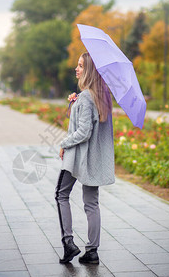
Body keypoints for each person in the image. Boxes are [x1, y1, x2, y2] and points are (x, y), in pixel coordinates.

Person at [55, 52, 115, 264]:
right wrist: (75, 102)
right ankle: (92, 252)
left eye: (80, 65)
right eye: (77, 65)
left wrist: (63, 143)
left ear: (89, 70)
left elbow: (84, 132)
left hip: (77, 157)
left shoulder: (88, 97)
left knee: (61, 194)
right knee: (91, 203)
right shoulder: (101, 96)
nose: (76, 68)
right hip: (92, 160)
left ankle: (69, 243)